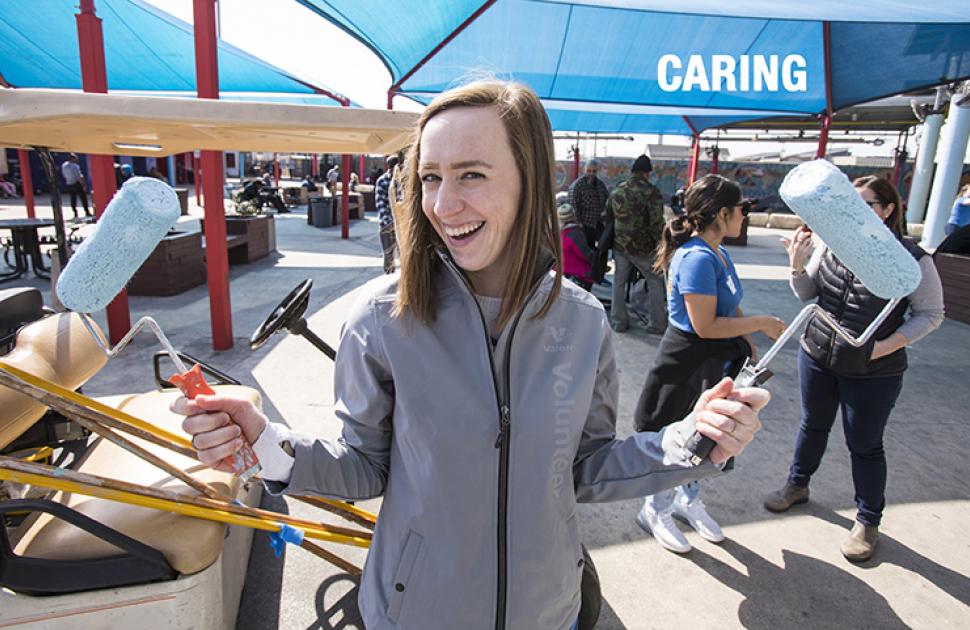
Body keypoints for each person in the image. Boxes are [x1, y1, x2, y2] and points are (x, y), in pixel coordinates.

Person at [173, 81, 769, 629]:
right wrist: (268, 445)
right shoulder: (382, 318)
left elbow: (584, 467)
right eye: (430, 177)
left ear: (530, 178)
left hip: (549, 609)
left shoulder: (584, 322)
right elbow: (364, 465)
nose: (442, 204)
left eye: (471, 174)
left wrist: (690, 440)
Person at [764, 175, 945, 562]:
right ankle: (797, 485)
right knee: (812, 424)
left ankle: (867, 520)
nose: (855, 214)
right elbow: (808, 293)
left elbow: (930, 314)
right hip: (817, 353)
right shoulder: (831, 242)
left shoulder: (911, 258)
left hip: (873, 369)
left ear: (888, 209)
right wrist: (796, 265)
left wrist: (884, 347)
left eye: (866, 206)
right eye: (850, 205)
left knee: (864, 443)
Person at [632, 174, 786, 554]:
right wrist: (762, 324)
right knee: (677, 437)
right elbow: (704, 325)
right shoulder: (696, 257)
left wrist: (748, 345)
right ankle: (655, 508)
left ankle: (687, 499)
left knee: (708, 440)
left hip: (718, 357)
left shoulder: (718, 251)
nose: (744, 216)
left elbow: (730, 305)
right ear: (722, 212)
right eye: (742, 209)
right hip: (688, 361)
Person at [605, 154, 667, 334]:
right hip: (643, 247)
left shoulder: (617, 190)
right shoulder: (651, 192)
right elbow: (657, 222)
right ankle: (657, 324)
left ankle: (618, 322)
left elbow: (608, 216)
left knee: (619, 282)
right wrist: (662, 244)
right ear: (648, 173)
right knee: (655, 281)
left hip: (620, 245)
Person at [568, 159, 609, 249]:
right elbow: (573, 207)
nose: (591, 174)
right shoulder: (577, 186)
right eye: (589, 171)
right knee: (585, 253)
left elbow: (607, 200)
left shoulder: (600, 185)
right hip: (583, 226)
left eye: (594, 171)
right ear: (584, 170)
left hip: (597, 224)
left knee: (604, 247)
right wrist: (579, 225)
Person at [559, 202, 593, 290]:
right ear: (573, 216)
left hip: (558, 270)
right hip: (575, 272)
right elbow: (585, 255)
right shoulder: (575, 234)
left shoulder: (555, 232)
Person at [375, 156, 399, 274]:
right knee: (388, 256)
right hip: (387, 226)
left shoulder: (402, 180)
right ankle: (389, 277)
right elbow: (381, 206)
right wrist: (391, 223)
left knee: (407, 256)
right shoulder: (382, 180)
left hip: (401, 225)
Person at [61, 153, 91, 219]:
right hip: (76, 184)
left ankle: (75, 213)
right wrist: (83, 185)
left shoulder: (64, 166)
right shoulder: (75, 166)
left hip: (69, 183)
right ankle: (87, 212)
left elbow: (64, 175)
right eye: (76, 158)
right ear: (72, 159)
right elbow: (79, 177)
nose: (77, 160)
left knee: (73, 199)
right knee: (83, 198)